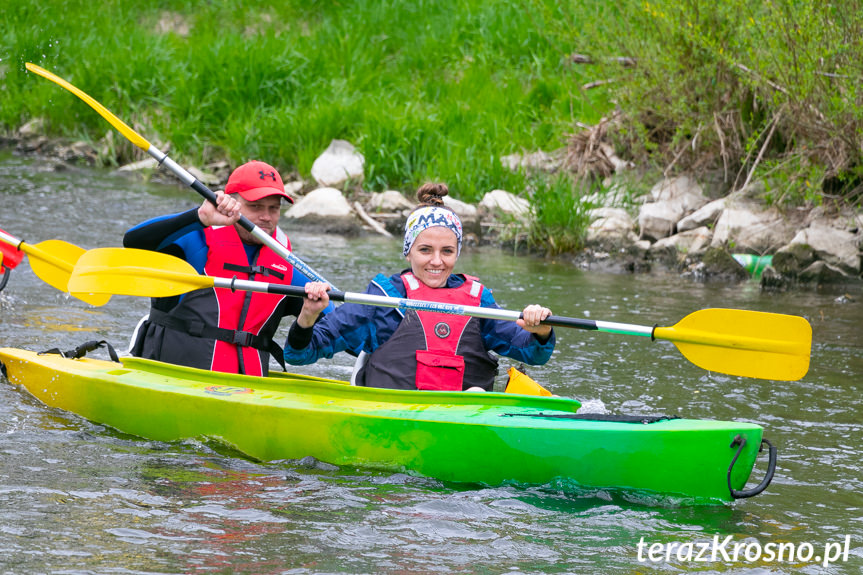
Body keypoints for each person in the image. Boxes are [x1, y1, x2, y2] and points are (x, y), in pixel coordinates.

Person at [283, 183, 555, 391]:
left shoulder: (478, 300)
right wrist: (308, 315)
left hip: (465, 421)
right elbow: (299, 354)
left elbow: (532, 353)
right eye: (425, 250)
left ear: (457, 254)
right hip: (391, 419)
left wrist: (541, 330)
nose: (437, 261)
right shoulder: (384, 298)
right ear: (408, 252)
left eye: (447, 251)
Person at [124, 160, 332, 376]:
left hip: (244, 389)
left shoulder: (285, 264)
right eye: (255, 207)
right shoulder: (195, 241)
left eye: (274, 208)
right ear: (231, 204)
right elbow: (133, 242)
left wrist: (307, 317)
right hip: (171, 374)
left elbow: (333, 330)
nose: (266, 217)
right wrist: (198, 217)